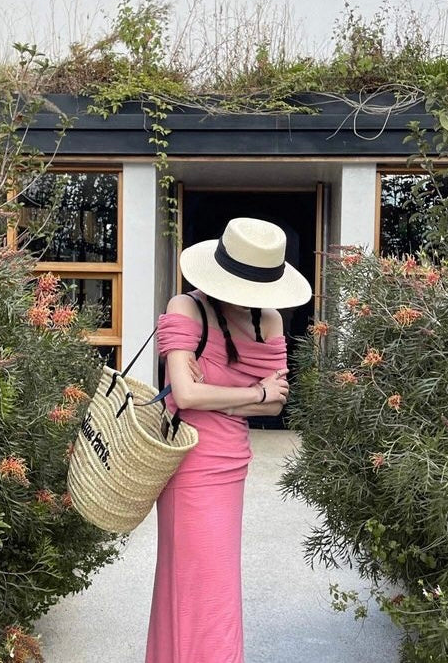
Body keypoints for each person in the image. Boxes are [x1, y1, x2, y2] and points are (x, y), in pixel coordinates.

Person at [145, 217, 312, 663]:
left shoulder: (269, 320)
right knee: (190, 583)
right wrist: (253, 394)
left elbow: (277, 405)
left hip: (231, 462)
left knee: (216, 586)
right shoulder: (186, 307)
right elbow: (186, 396)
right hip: (189, 464)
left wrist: (219, 399)